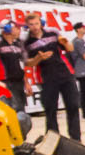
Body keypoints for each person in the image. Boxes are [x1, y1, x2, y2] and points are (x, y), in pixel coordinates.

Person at [22, 13, 81, 141]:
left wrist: (65, 43)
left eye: (36, 23)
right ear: (27, 26)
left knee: (73, 105)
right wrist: (38, 58)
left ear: (41, 22)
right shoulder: (27, 42)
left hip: (65, 73)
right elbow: (27, 63)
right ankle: (54, 139)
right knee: (50, 110)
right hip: (46, 77)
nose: (35, 27)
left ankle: (76, 138)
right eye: (31, 25)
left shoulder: (53, 33)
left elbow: (69, 48)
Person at [0, 20, 29, 129]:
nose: (19, 30)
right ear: (7, 29)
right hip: (5, 82)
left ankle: (22, 137)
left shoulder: (18, 44)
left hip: (18, 82)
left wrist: (26, 83)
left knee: (21, 112)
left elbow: (22, 65)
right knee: (13, 112)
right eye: (17, 28)